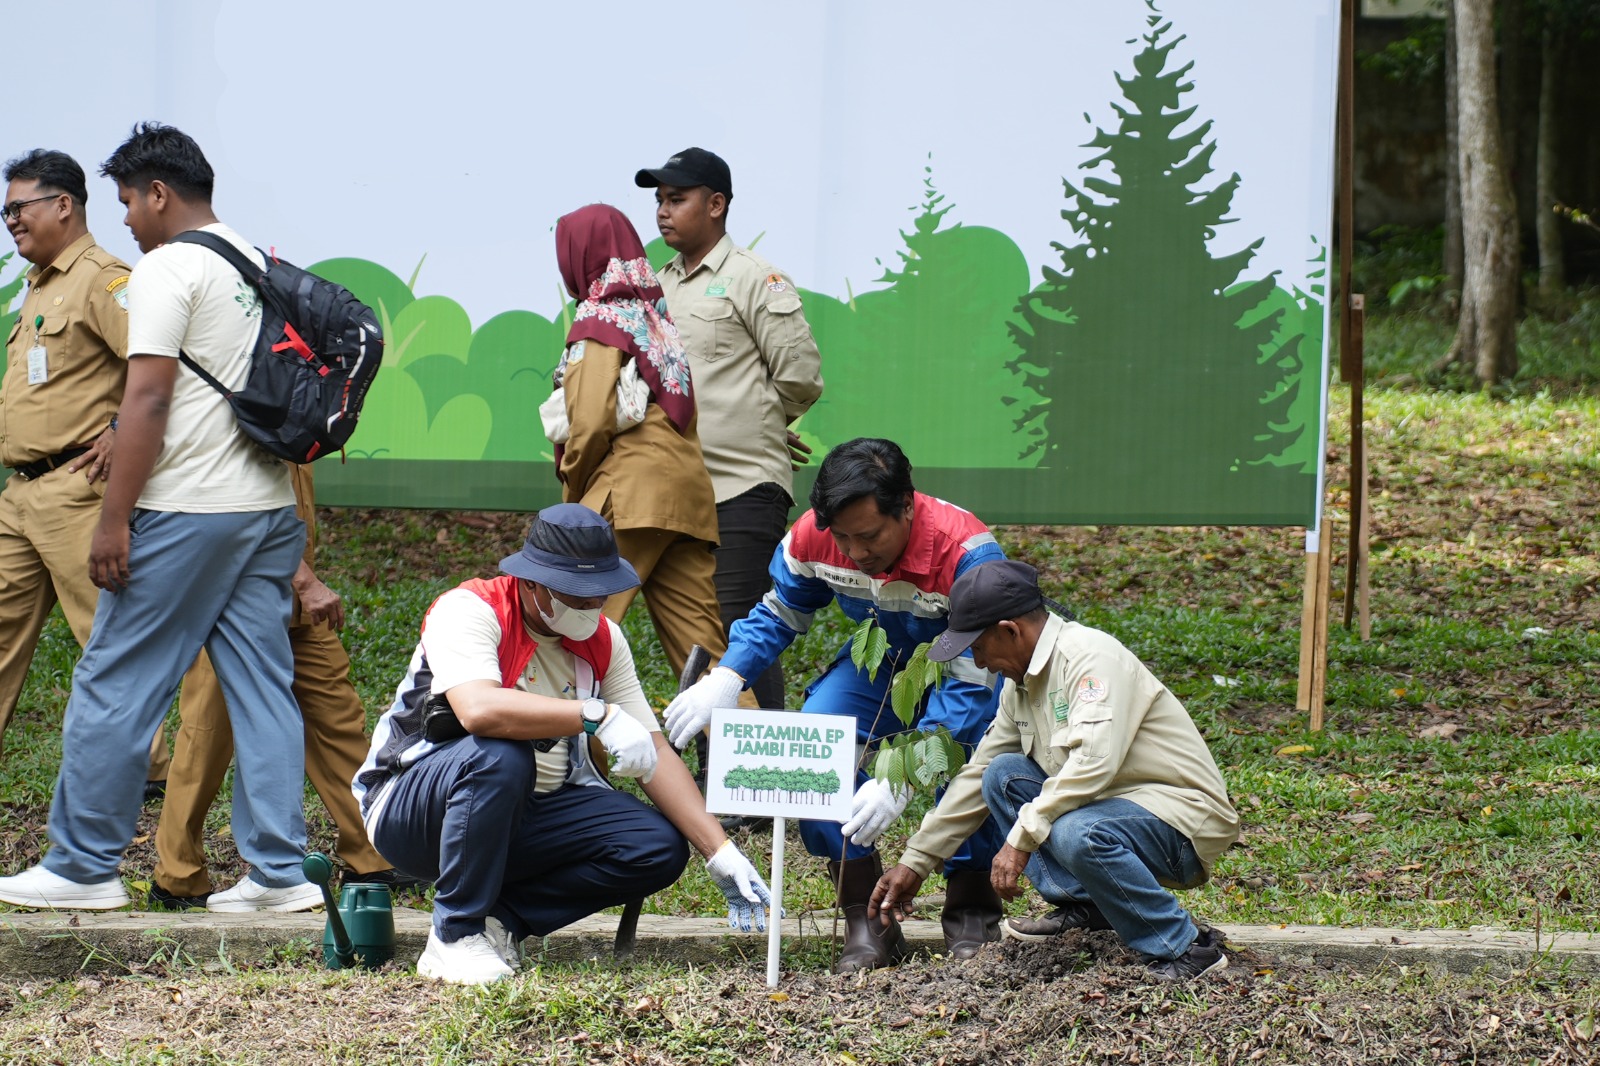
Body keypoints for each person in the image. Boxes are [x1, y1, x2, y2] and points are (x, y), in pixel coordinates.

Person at [0, 123, 313, 912]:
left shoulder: (169, 268)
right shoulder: (251, 259)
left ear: (160, 193)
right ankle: (280, 874)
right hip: (267, 510)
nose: (128, 222)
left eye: (128, 203)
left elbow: (145, 398)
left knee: (113, 678)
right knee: (262, 687)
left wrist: (112, 522)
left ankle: (80, 866)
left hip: (192, 508)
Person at [352, 504, 773, 986]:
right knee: (503, 752)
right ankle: (452, 935)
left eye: (601, 593)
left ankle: (498, 922)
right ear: (531, 583)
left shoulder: (605, 641)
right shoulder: (471, 610)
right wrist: (595, 714)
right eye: (577, 594)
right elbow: (479, 711)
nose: (592, 607)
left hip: (527, 815)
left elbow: (654, 751)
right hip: (415, 811)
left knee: (655, 845)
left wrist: (719, 851)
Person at [664, 438, 1007, 972]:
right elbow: (780, 612)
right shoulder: (812, 537)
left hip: (964, 664)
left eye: (868, 536)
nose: (854, 552)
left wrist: (903, 776)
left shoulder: (967, 555)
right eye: (841, 537)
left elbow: (971, 685)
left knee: (964, 760)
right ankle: (866, 918)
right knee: (813, 751)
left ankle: (970, 909)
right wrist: (728, 677)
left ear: (907, 507)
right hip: (882, 661)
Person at [869, 560, 1241, 983]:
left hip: (1181, 825)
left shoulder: (1091, 659)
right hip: (1109, 815)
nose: (981, 662)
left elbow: (1092, 766)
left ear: (1010, 630)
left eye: (977, 647)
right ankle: (1090, 907)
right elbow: (980, 772)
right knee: (1003, 775)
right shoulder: (1021, 683)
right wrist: (916, 861)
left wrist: (1019, 839)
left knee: (1074, 832)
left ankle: (1185, 947)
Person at [149, 464, 415, 910]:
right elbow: (238, 500)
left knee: (338, 720)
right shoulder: (244, 405)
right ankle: (179, 874)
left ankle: (371, 853)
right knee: (207, 737)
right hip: (237, 598)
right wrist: (304, 579)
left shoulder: (293, 415)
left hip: (294, 599)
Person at [0, 149, 169, 795]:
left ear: (63, 205)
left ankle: (150, 775)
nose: (10, 220)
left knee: (106, 636)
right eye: (6, 209)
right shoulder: (39, 285)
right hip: (19, 496)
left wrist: (123, 431)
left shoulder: (106, 279)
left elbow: (157, 366)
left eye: (20, 207)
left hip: (77, 492)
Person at [636, 148, 823, 713]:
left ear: (716, 205)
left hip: (740, 487)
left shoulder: (754, 278)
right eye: (659, 202)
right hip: (674, 493)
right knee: (697, 637)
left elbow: (801, 376)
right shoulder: (655, 285)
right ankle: (718, 782)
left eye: (678, 199)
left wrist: (761, 423)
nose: (664, 212)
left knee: (741, 632)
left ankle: (761, 790)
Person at [548, 203, 741, 689]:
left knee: (570, 634)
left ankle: (565, 763)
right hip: (687, 502)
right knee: (707, 659)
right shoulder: (655, 317)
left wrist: (574, 502)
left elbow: (589, 425)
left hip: (629, 495)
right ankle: (750, 763)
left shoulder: (599, 318)